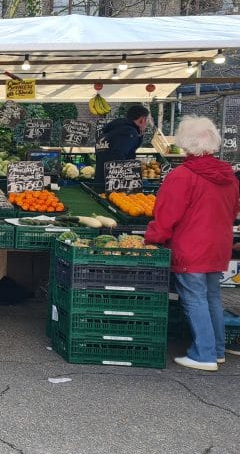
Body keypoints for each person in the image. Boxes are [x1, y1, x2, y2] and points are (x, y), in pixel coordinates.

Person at [144, 116, 240, 371]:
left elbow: (166, 215)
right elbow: (233, 211)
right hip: (218, 246)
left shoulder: (183, 175)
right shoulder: (228, 176)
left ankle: (204, 355)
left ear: (186, 143)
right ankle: (217, 350)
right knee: (212, 297)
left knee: (194, 299)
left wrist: (152, 238)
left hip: (191, 248)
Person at [94, 104, 149, 185]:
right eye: (147, 120)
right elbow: (118, 156)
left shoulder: (110, 132)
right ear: (142, 120)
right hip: (114, 184)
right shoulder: (129, 132)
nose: (147, 124)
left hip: (100, 180)